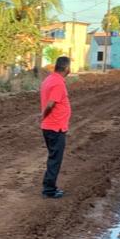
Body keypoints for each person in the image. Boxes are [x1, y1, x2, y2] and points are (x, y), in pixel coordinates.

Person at [39, 55, 72, 199]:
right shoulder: (58, 83)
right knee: (55, 159)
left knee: (53, 157)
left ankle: (49, 186)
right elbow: (51, 103)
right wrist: (43, 114)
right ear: (66, 68)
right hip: (55, 127)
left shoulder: (49, 79)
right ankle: (49, 189)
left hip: (50, 126)